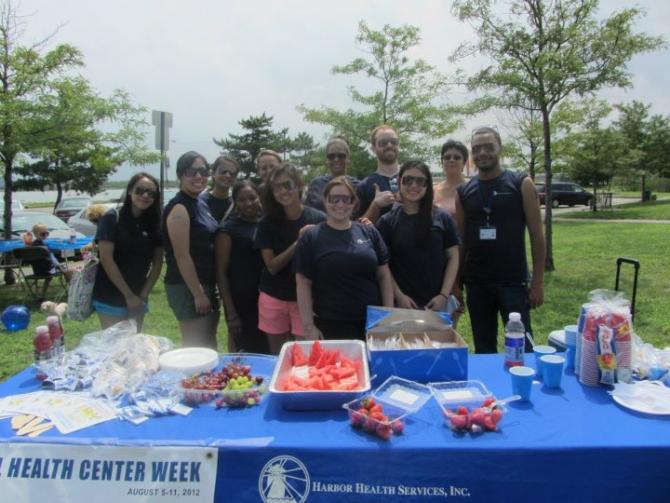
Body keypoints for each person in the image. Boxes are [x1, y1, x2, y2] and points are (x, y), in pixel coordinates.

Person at [455, 127, 545, 354]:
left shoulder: (521, 183)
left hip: (513, 283)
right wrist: (457, 284)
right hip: (477, 284)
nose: (482, 153)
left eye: (488, 147)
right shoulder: (464, 191)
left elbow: (537, 235)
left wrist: (538, 282)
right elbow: (461, 242)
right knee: (484, 349)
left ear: (500, 149)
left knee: (522, 349)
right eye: (477, 149)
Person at [296, 177, 394, 341]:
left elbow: (384, 275)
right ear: (325, 202)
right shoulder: (311, 237)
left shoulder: (369, 232)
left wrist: (388, 317)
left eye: (346, 199)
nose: (340, 204)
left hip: (372, 323)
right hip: (330, 323)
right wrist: (309, 326)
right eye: (334, 199)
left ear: (354, 202)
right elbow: (303, 283)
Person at [254, 163, 326, 354]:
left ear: (299, 185)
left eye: (287, 185)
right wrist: (299, 242)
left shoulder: (318, 218)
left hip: (304, 300)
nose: (283, 191)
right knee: (278, 355)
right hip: (273, 296)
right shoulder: (266, 223)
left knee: (305, 354)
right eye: (277, 187)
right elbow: (271, 266)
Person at [377, 161, 460, 313]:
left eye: (420, 181)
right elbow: (383, 265)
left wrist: (443, 295)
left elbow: (453, 256)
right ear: (399, 183)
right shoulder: (386, 222)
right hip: (402, 305)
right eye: (408, 180)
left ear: (427, 185)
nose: (414, 185)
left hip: (437, 304)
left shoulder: (442, 218)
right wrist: (399, 296)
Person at [92, 173, 163, 330]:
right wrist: (129, 295)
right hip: (110, 296)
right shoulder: (112, 218)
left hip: (139, 296)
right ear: (130, 191)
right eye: (140, 190)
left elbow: (157, 264)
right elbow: (106, 258)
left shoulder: (154, 224)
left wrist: (143, 295)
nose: (145, 195)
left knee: (135, 346)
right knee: (115, 348)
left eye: (151, 193)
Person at [163, 151, 220, 348]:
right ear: (180, 175)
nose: (198, 177)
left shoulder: (199, 203)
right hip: (187, 286)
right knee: (195, 347)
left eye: (203, 172)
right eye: (191, 172)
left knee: (209, 343)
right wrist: (198, 293)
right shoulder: (179, 208)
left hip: (205, 283)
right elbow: (182, 256)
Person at [215, 180, 269, 354]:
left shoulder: (266, 224)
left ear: (259, 198)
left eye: (252, 198)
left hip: (267, 299)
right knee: (247, 354)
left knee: (269, 350)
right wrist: (231, 313)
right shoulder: (228, 230)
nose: (248, 203)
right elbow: (221, 273)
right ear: (235, 203)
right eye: (242, 200)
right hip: (242, 304)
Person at [356, 124, 400, 223]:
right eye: (383, 142)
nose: (389, 145)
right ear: (373, 148)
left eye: (394, 141)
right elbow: (357, 230)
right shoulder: (363, 186)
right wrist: (375, 205)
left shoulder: (414, 180)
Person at [304, 136, 359, 212]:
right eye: (331, 156)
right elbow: (307, 212)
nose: (336, 159)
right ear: (326, 160)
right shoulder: (316, 184)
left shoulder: (358, 186)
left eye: (341, 156)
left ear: (348, 158)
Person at [29, 223, 73, 300]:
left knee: (51, 276)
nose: (46, 236)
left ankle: (43, 295)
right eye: (43, 234)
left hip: (37, 271)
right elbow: (52, 259)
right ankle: (72, 290)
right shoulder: (43, 247)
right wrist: (59, 266)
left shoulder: (32, 245)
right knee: (68, 271)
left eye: (47, 233)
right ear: (35, 234)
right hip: (48, 270)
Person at [434, 140, 468, 218]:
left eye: (457, 158)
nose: (451, 160)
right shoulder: (433, 191)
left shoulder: (471, 188)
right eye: (447, 157)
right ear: (442, 162)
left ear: (464, 162)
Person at [200, 155, 238, 222]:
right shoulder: (200, 202)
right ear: (213, 173)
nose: (228, 175)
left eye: (232, 173)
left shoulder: (237, 204)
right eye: (223, 171)